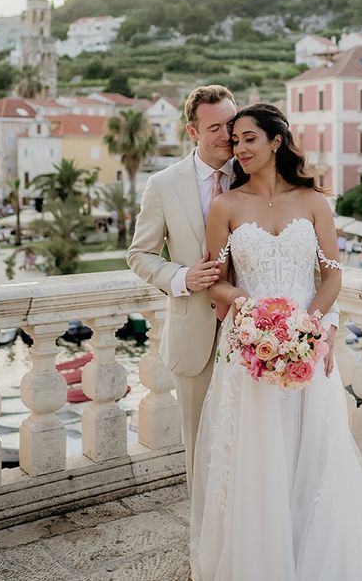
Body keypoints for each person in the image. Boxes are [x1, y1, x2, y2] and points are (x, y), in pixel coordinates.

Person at [191, 103, 362, 581]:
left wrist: (312, 325)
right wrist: (243, 301)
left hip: (308, 346)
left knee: (315, 451)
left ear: (276, 141)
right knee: (258, 458)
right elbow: (213, 279)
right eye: (235, 141)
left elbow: (332, 273)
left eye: (248, 139)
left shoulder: (314, 202)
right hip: (250, 348)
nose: (238, 149)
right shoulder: (226, 205)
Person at [127, 85, 237, 491]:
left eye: (231, 123)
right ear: (193, 133)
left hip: (253, 333)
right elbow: (139, 255)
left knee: (250, 443)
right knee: (199, 446)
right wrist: (181, 278)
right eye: (215, 128)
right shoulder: (163, 185)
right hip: (194, 337)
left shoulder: (255, 176)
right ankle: (204, 541)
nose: (227, 134)